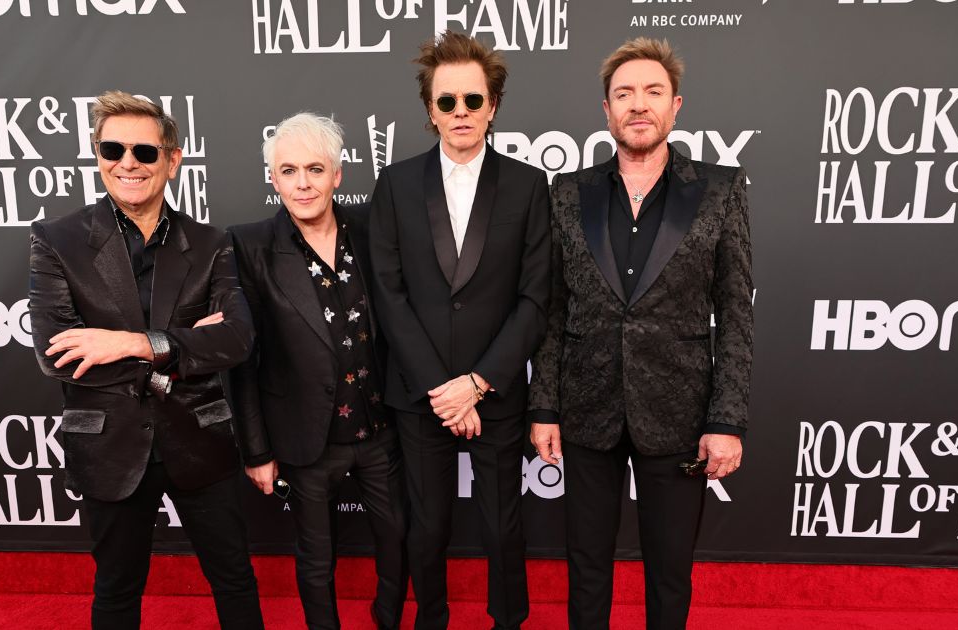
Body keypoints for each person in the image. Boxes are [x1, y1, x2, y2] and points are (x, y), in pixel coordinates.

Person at [528, 37, 754, 630]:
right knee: (586, 566)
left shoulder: (720, 190)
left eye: (652, 92)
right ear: (606, 110)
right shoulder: (567, 193)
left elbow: (735, 311)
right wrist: (544, 406)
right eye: (623, 94)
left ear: (675, 105)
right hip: (585, 410)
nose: (638, 104)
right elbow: (552, 309)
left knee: (670, 569)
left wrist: (726, 421)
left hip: (680, 412)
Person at [28, 90, 263, 629]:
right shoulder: (57, 239)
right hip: (109, 445)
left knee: (234, 579)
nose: (127, 163)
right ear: (96, 155)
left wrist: (133, 342)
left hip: (200, 438)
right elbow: (56, 354)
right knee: (116, 589)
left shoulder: (210, 244)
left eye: (144, 152)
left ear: (173, 160)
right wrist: (182, 343)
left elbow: (237, 340)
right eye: (113, 149)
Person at [368, 30, 551, 630]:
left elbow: (533, 298)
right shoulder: (394, 186)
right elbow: (389, 298)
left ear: (492, 105)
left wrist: (478, 382)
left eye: (473, 100)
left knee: (503, 525)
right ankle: (432, 620)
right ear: (430, 109)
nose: (461, 113)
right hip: (421, 395)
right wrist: (441, 390)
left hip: (494, 390)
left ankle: (508, 620)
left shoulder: (529, 186)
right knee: (428, 525)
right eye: (447, 102)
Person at [227, 113, 407, 630]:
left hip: (381, 428)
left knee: (397, 539)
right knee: (315, 556)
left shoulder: (375, 229)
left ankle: (387, 619)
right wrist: (257, 451)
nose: (303, 183)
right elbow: (243, 360)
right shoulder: (249, 246)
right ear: (272, 178)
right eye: (288, 171)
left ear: (337, 174)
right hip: (306, 438)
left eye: (314, 168)